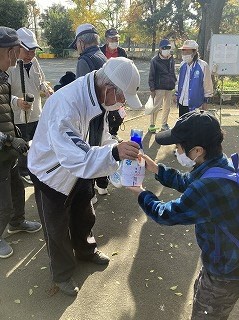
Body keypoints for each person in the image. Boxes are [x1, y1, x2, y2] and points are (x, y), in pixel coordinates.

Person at [28, 57, 142, 296]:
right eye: (122, 98)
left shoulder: (98, 96)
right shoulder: (66, 104)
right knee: (56, 227)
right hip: (51, 172)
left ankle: (86, 250)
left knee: (84, 213)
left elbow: (99, 136)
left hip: (81, 167)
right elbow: (75, 158)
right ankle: (62, 274)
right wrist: (114, 152)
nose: (123, 104)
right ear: (110, 89)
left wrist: (117, 145)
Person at [129, 110, 239, 319]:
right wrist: (157, 170)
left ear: (197, 150)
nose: (176, 150)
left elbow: (167, 214)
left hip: (225, 272)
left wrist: (141, 193)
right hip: (226, 256)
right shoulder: (220, 164)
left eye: (178, 146)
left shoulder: (207, 187)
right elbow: (189, 182)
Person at [0, 26, 42, 259]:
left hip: (8, 150)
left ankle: (17, 222)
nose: (15, 58)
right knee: (3, 201)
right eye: (12, 53)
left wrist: (15, 132)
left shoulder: (3, 78)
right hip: (3, 149)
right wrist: (9, 139)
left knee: (17, 189)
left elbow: (6, 105)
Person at [8, 27, 53, 185]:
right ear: (17, 47)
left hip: (36, 112)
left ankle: (35, 167)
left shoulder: (34, 61)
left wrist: (47, 89)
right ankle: (23, 170)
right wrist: (18, 101)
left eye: (33, 50)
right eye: (27, 50)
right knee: (22, 144)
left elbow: (41, 81)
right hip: (18, 116)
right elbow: (4, 92)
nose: (31, 54)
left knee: (37, 142)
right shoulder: (8, 64)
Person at [70, 23, 109, 198]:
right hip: (103, 110)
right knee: (100, 145)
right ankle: (102, 184)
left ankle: (89, 193)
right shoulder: (102, 56)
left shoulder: (85, 60)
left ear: (81, 43)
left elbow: (81, 92)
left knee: (88, 150)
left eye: (77, 45)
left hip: (90, 114)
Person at [100, 27, 127, 142]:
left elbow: (126, 68)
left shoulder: (122, 52)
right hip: (103, 86)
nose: (115, 41)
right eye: (112, 39)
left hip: (119, 86)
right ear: (106, 40)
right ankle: (104, 134)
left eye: (116, 39)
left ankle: (114, 132)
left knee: (120, 113)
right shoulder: (100, 51)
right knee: (104, 111)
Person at [175, 39, 213, 117]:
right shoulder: (182, 65)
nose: (185, 54)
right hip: (182, 102)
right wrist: (176, 94)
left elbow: (207, 85)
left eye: (188, 52)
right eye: (183, 52)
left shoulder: (203, 66)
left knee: (194, 127)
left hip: (196, 105)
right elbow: (179, 82)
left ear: (194, 52)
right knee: (183, 126)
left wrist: (205, 102)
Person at [148, 39, 177, 133]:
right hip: (159, 87)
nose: (166, 49)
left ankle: (164, 124)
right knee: (156, 106)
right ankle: (152, 124)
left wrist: (174, 82)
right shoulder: (155, 60)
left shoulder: (172, 59)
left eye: (168, 47)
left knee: (167, 107)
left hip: (169, 87)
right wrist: (152, 88)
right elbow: (151, 75)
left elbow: (173, 72)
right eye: (164, 48)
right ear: (160, 49)